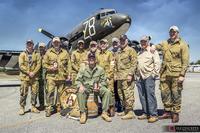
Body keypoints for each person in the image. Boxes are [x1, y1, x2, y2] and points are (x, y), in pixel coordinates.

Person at [152, 25, 189, 123]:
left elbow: (185, 61)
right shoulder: (165, 43)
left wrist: (182, 75)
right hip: (164, 74)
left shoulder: (183, 44)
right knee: (165, 94)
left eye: (174, 32)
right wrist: (152, 47)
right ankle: (167, 112)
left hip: (176, 74)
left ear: (177, 33)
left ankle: (175, 113)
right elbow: (157, 46)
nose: (172, 34)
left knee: (176, 94)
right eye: (171, 32)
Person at [75, 53, 112, 124]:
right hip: (87, 88)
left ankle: (104, 112)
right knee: (80, 92)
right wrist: (80, 86)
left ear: (95, 60)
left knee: (107, 91)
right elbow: (77, 80)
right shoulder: (83, 69)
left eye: (93, 58)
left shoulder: (100, 69)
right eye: (90, 58)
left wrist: (100, 85)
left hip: (97, 88)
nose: (91, 59)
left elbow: (104, 81)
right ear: (88, 60)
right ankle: (83, 113)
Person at [43, 37, 71, 117]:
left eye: (57, 42)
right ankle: (49, 108)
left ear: (60, 43)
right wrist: (50, 68)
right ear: (52, 43)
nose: (56, 43)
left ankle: (59, 106)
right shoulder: (48, 52)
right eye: (54, 42)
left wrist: (69, 74)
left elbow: (69, 64)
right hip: (51, 76)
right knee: (50, 92)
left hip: (62, 76)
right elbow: (44, 64)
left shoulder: (65, 52)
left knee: (61, 93)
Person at [136, 35, 160, 123]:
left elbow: (157, 63)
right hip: (140, 77)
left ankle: (153, 114)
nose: (143, 43)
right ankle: (146, 113)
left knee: (150, 96)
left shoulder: (152, 51)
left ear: (148, 42)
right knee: (142, 96)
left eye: (145, 41)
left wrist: (153, 75)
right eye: (141, 41)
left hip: (149, 76)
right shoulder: (139, 53)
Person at [115, 35, 137, 120]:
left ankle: (130, 111)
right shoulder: (118, 52)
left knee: (128, 94)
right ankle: (126, 110)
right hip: (120, 78)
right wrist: (115, 75)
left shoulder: (131, 50)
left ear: (127, 41)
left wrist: (130, 74)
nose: (122, 41)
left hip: (127, 77)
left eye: (123, 40)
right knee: (121, 94)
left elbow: (134, 63)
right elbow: (116, 65)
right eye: (120, 40)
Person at [18, 40, 41, 115]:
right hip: (25, 77)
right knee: (23, 93)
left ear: (33, 44)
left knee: (34, 93)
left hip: (34, 77)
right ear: (26, 45)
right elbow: (21, 65)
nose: (29, 45)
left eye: (30, 43)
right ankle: (22, 108)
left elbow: (39, 64)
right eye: (28, 43)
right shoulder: (22, 54)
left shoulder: (37, 54)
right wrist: (28, 72)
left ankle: (33, 107)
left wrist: (34, 72)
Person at [96, 39, 115, 116]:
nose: (103, 45)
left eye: (104, 43)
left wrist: (108, 76)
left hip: (108, 77)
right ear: (100, 45)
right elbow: (96, 66)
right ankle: (105, 109)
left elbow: (112, 66)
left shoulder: (110, 54)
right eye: (101, 44)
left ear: (107, 45)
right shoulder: (97, 54)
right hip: (100, 78)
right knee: (102, 93)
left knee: (110, 92)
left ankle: (111, 108)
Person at [38, 42, 46, 110]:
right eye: (40, 47)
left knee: (48, 91)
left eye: (42, 47)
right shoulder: (37, 55)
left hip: (47, 76)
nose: (41, 48)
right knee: (40, 91)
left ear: (45, 48)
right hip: (39, 77)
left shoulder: (48, 55)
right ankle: (41, 105)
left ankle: (49, 105)